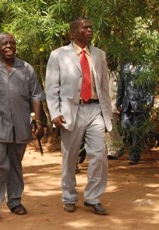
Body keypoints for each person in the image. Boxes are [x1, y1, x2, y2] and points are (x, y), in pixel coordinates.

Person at [45, 17, 112, 215]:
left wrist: (108, 113)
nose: (90, 30)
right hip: (70, 112)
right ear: (73, 32)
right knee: (70, 157)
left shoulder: (99, 55)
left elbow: (104, 87)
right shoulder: (58, 55)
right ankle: (69, 197)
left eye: (91, 27)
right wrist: (55, 112)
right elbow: (51, 87)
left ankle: (93, 197)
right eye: (85, 27)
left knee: (99, 155)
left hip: (94, 109)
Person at [0, 32, 44, 222]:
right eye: (4, 44)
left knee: (15, 164)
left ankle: (14, 201)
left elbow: (36, 96)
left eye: (12, 43)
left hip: (21, 126)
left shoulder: (26, 69)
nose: (9, 46)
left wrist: (38, 121)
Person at [116, 64, 154, 165]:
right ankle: (129, 149)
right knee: (126, 128)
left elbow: (149, 87)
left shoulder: (145, 67)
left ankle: (134, 156)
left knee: (137, 132)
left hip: (140, 104)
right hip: (126, 105)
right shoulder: (124, 68)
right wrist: (118, 102)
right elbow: (121, 86)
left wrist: (150, 102)